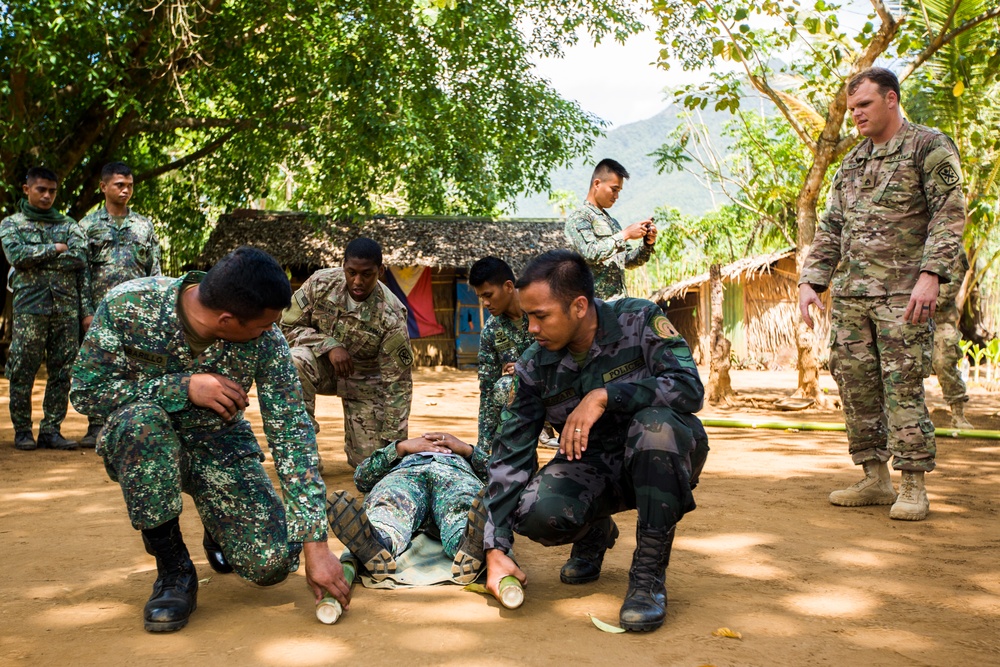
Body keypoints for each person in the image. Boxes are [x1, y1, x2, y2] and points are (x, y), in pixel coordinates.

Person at [69, 247, 350, 633]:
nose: (270, 331)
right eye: (263, 325)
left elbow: (291, 430)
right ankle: (173, 569)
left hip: (220, 444)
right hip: (146, 444)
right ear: (226, 320)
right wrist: (182, 387)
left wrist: (316, 542)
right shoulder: (128, 305)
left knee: (272, 563)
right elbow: (87, 392)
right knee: (142, 424)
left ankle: (216, 519)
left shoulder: (266, 340)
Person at [477, 250, 708, 632]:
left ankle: (648, 579)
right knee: (534, 512)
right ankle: (594, 530)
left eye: (541, 316)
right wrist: (495, 547)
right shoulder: (534, 365)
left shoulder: (639, 319)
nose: (531, 328)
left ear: (579, 306)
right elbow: (510, 457)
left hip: (661, 458)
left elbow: (688, 388)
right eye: (528, 315)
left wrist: (604, 395)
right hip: (594, 468)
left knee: (656, 429)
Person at [799, 67, 967, 522]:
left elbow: (950, 214)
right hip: (853, 296)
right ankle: (875, 476)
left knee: (903, 385)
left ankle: (913, 483)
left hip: (903, 294)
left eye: (864, 105)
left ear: (891, 99)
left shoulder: (929, 146)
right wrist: (811, 282)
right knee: (855, 386)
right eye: (852, 108)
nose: (856, 115)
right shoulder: (851, 163)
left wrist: (931, 274)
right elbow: (832, 227)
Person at [281, 237, 414, 469]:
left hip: (365, 382)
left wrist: (394, 446)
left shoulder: (391, 314)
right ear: (343, 265)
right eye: (351, 272)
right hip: (321, 367)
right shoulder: (320, 284)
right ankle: (301, 456)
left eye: (367, 274)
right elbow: (286, 326)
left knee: (370, 466)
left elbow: (398, 384)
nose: (357, 281)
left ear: (380, 271)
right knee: (295, 360)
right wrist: (328, 345)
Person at [1, 167, 89, 451]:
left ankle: (51, 430)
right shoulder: (11, 224)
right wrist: (55, 248)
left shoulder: (69, 225)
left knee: (63, 371)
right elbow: (16, 255)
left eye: (52, 191)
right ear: (27, 190)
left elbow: (79, 258)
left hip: (65, 309)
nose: (47, 195)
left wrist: (36, 257)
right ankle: (23, 431)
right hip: (29, 309)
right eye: (41, 190)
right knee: (22, 369)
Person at [326, 431, 489, 584]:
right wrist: (400, 448)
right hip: (406, 476)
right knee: (390, 501)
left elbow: (499, 474)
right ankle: (378, 543)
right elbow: (362, 478)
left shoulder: (464, 456)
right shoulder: (403, 455)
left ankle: (468, 543)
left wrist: (468, 451)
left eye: (443, 443)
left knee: (462, 501)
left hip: (454, 476)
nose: (433, 444)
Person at [77, 161, 163, 447]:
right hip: (101, 313)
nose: (126, 190)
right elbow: (81, 273)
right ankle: (96, 427)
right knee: (100, 367)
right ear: (103, 187)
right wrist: (87, 312)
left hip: (138, 312)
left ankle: (132, 423)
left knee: (136, 367)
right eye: (119, 185)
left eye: (130, 186)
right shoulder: (86, 227)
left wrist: (156, 307)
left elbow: (155, 269)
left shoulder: (143, 225)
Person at [564, 158, 657, 301]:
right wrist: (625, 234)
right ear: (597, 184)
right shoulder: (580, 218)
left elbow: (628, 261)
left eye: (619, 191)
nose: (616, 196)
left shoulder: (612, 223)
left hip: (618, 305)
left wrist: (647, 244)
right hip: (593, 308)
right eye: (614, 189)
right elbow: (590, 252)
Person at [468, 256, 536, 448]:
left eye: (488, 295)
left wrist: (528, 366)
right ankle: (524, 463)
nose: (485, 303)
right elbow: (488, 390)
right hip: (523, 402)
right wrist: (484, 447)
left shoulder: (539, 310)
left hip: (557, 388)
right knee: (503, 388)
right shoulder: (491, 330)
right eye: (481, 297)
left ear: (508, 286)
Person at [932, 274, 973, 429]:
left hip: (940, 319)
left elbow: (951, 284)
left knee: (944, 363)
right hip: (906, 317)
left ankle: (958, 416)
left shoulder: (953, 250)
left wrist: (923, 301)